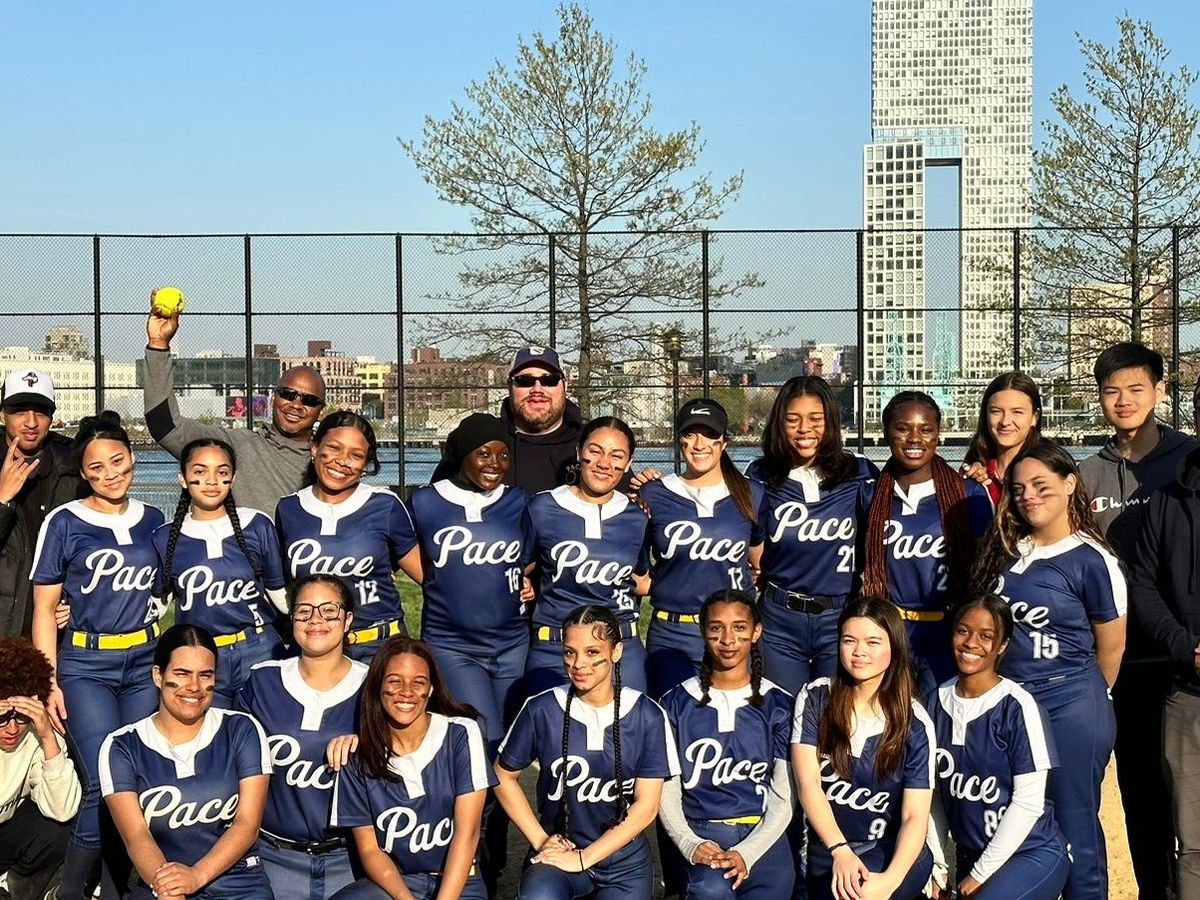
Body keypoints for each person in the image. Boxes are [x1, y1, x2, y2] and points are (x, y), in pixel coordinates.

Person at [971, 439, 1126, 899]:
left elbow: (1112, 647)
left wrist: (1088, 700)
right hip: (1010, 704)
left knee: (1075, 825)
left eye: (1041, 485)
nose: (1029, 496)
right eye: (1019, 488)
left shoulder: (1093, 559)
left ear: (1070, 483)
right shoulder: (1005, 550)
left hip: (1070, 704)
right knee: (1010, 822)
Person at [30, 412, 165, 900]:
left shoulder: (153, 520)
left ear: (132, 458)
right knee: (103, 781)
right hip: (86, 667)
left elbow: (165, 589)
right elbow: (44, 609)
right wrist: (47, 681)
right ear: (83, 473)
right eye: (97, 467)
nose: (111, 474)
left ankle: (113, 891)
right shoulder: (64, 522)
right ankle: (69, 890)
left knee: (135, 780)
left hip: (143, 665)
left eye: (118, 460)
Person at [1078, 341, 1194, 900]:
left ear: (1160, 391)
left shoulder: (1186, 462)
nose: (1123, 401)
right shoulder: (1088, 474)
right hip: (1120, 660)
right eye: (1111, 391)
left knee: (1187, 802)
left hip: (1180, 656)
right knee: (1140, 796)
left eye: (1136, 389)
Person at [495, 604, 680, 900]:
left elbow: (646, 806)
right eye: (570, 652)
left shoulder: (647, 714)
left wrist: (584, 858)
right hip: (559, 853)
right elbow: (503, 776)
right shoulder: (541, 708)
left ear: (616, 652)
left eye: (592, 652)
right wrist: (541, 840)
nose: (578, 663)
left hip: (624, 864)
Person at [98, 624, 273, 899]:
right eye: (182, 674)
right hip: (161, 883)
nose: (194, 687)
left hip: (239, 885)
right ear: (158, 675)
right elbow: (137, 836)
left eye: (205, 675)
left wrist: (196, 875)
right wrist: (170, 888)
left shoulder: (242, 729)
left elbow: (247, 825)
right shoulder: (122, 746)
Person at [791, 596, 935, 900]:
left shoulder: (915, 720)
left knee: (862, 893)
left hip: (890, 850)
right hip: (829, 850)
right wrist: (840, 850)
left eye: (872, 642)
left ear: (894, 647)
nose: (859, 652)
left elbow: (915, 816)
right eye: (849, 640)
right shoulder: (815, 697)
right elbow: (808, 784)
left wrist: (889, 882)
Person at [327, 637, 492, 900]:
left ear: (431, 689)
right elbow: (370, 850)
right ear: (378, 686)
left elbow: (468, 832)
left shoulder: (461, 734)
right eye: (395, 681)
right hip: (394, 885)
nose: (407, 692)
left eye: (419, 683)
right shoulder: (357, 757)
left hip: (459, 882)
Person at [927, 595, 1069, 900]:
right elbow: (932, 795)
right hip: (970, 854)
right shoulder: (933, 702)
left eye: (986, 636)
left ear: (1002, 645)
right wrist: (938, 865)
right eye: (963, 631)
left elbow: (1028, 803)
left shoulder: (1019, 707)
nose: (971, 643)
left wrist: (980, 874)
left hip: (1030, 853)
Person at [237, 575, 367, 899]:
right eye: (304, 611)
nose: (315, 620)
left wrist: (369, 746)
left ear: (348, 619)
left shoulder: (373, 687)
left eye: (329, 610)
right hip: (273, 857)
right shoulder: (262, 680)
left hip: (350, 859)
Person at [658, 590, 795, 899]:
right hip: (702, 837)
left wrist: (747, 852)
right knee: (710, 890)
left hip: (764, 839)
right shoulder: (675, 703)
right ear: (702, 631)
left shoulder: (780, 705)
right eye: (716, 628)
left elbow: (784, 795)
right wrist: (689, 843)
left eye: (739, 627)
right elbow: (666, 789)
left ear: (756, 632)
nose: (728, 639)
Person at [747, 375, 878, 695]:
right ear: (779, 423)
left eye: (815, 419)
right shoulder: (761, 474)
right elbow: (752, 539)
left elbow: (885, 527)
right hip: (780, 618)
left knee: (836, 711)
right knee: (782, 710)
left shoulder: (859, 472)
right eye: (793, 420)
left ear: (830, 421)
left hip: (840, 617)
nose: (804, 429)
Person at [144, 295, 326, 514]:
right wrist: (158, 345)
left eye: (309, 400)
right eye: (288, 394)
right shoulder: (235, 446)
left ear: (321, 411)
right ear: (273, 397)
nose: (296, 404)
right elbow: (164, 425)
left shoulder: (328, 461)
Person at [860, 391, 993, 689]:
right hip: (890, 631)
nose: (914, 439)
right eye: (903, 428)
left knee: (938, 713)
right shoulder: (870, 494)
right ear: (886, 432)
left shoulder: (967, 492)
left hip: (947, 632)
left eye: (926, 429)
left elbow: (987, 570)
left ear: (938, 434)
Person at [641, 399, 764, 700]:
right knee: (671, 717)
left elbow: (759, 561)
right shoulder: (653, 494)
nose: (699, 444)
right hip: (673, 631)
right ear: (680, 440)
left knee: (733, 717)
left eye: (709, 435)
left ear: (723, 441)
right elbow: (634, 566)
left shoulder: (751, 493)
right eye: (690, 434)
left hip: (731, 633)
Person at [1128, 382, 1200, 900]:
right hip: (1188, 689)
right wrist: (1184, 646)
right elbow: (1142, 583)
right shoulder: (1170, 499)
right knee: (1193, 845)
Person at [275, 412, 421, 663]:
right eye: (334, 448)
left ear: (366, 464)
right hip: (315, 646)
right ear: (314, 447)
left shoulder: (385, 505)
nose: (343, 461)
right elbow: (282, 582)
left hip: (379, 646)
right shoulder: (288, 508)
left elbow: (429, 577)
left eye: (356, 455)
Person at [155, 438, 289, 705]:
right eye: (200, 471)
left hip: (260, 648)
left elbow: (280, 595)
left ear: (233, 478)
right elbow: (156, 606)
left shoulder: (257, 524)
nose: (212, 481)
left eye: (222, 472)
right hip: (201, 658)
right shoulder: (164, 537)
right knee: (210, 730)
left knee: (269, 726)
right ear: (183, 478)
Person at [524, 417, 651, 694]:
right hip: (555, 646)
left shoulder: (637, 516)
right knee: (548, 722)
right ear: (579, 451)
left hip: (621, 648)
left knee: (627, 722)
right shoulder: (542, 507)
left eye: (616, 455)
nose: (604, 463)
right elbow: (518, 566)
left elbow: (642, 580)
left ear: (628, 463)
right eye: (595, 451)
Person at [0, 369, 88, 638]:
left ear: (52, 417)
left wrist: (76, 599)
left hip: (55, 626)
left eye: (40, 412)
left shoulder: (74, 466)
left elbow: (92, 545)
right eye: (20, 411)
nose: (31, 422)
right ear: (2, 415)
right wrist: (2, 500)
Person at [431, 346, 581, 495]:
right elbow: (437, 500)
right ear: (509, 386)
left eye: (550, 380)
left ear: (565, 385)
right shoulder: (480, 440)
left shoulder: (587, 444)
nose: (537, 389)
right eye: (525, 380)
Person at [0, 637, 82, 900]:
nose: (12, 729)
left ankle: (18, 884)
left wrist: (47, 736)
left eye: (22, 716)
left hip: (6, 833)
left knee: (58, 827)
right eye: (2, 719)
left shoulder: (37, 737)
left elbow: (63, 810)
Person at [961, 372, 1043, 505]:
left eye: (1017, 412)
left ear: (1035, 417)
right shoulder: (976, 473)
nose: (1005, 422)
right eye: (996, 411)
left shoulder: (1051, 471)